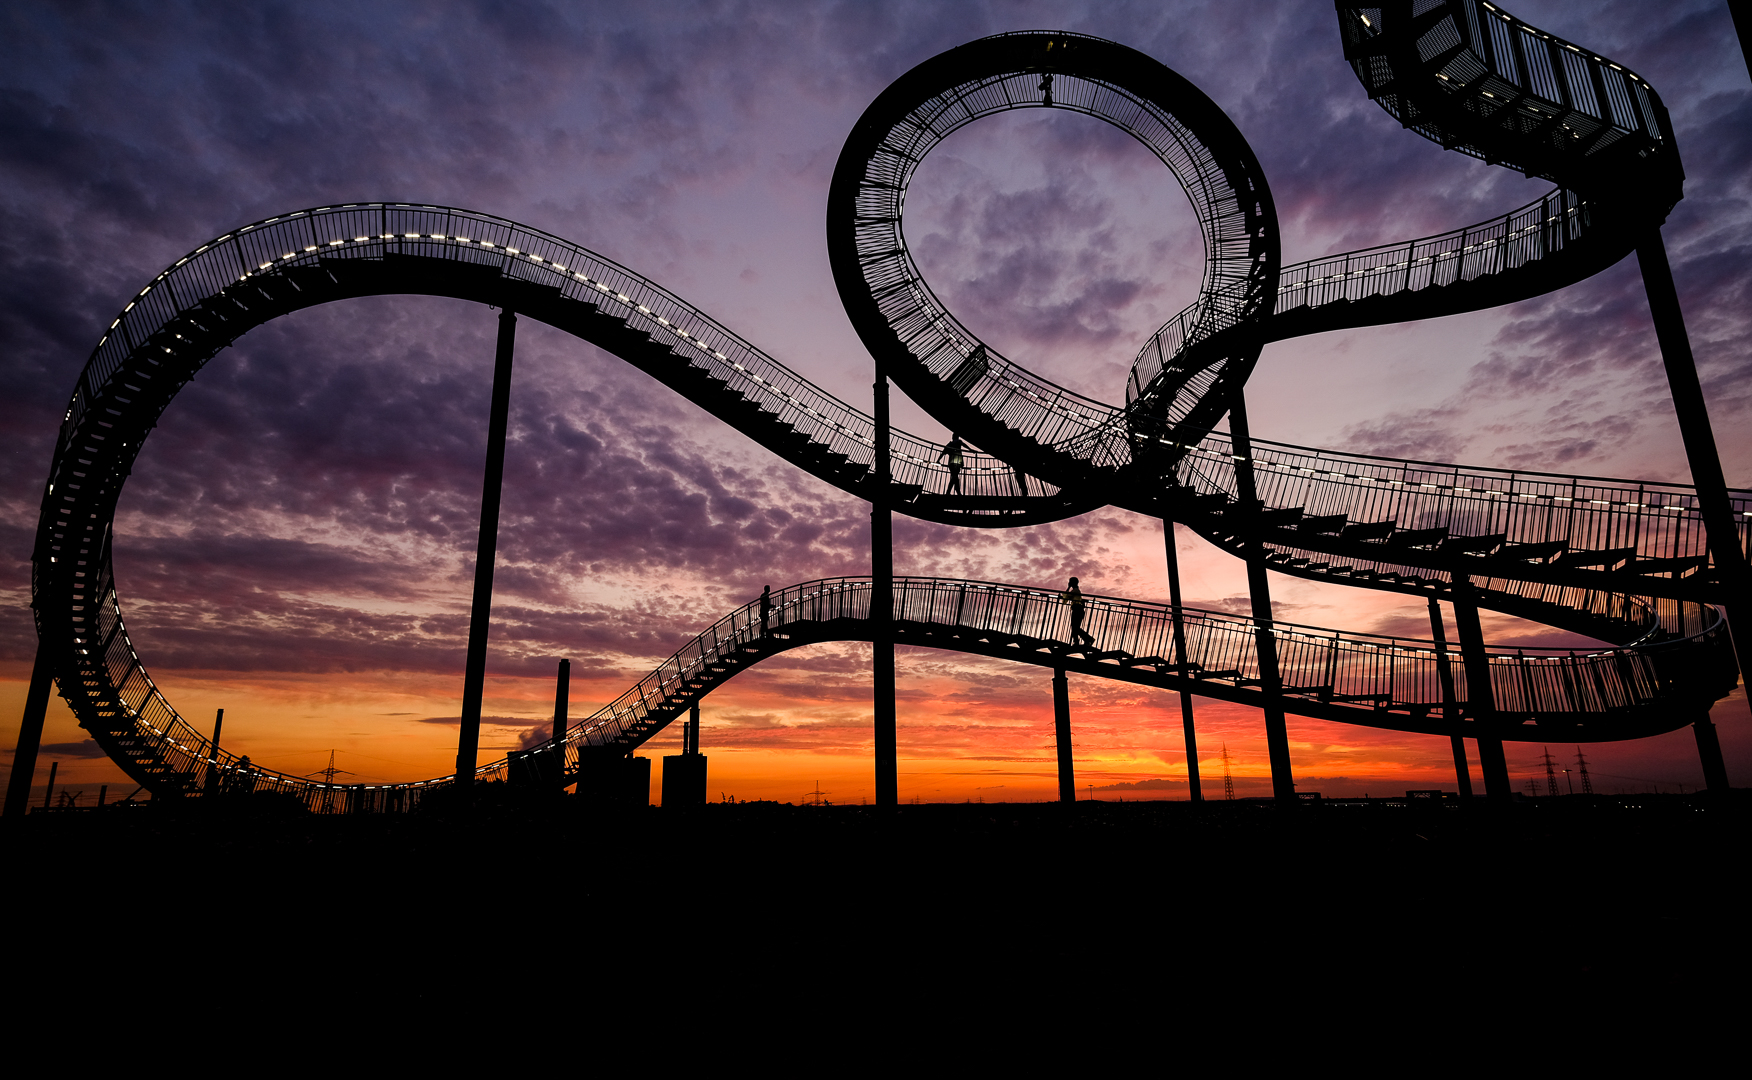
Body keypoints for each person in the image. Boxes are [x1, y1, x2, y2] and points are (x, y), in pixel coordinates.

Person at [1063, 576, 1096, 648]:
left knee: (1075, 627)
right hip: (1078, 610)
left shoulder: (1075, 591)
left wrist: (1068, 588)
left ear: (1072, 583)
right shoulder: (1076, 591)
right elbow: (1065, 600)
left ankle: (1087, 639)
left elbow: (1065, 599)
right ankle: (1082, 640)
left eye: (1070, 582)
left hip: (1077, 609)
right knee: (1075, 627)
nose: (1069, 583)